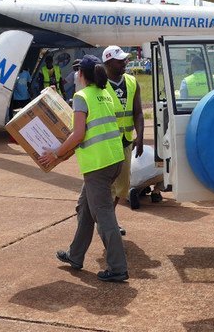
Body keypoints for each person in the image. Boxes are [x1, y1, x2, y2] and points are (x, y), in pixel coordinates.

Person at [38, 55, 129, 283]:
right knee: (85, 208)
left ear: (81, 75)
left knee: (104, 214)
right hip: (114, 158)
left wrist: (56, 154)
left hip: (97, 164)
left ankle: (118, 267)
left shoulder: (81, 96)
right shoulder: (106, 93)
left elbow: (77, 134)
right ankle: (75, 255)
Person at [102, 46, 145, 224]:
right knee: (107, 186)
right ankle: (109, 222)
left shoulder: (132, 82)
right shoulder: (100, 84)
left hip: (126, 141)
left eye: (125, 60)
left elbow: (138, 113)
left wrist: (140, 137)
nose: (125, 63)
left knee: (123, 185)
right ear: (108, 63)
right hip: (106, 143)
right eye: (120, 61)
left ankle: (108, 220)